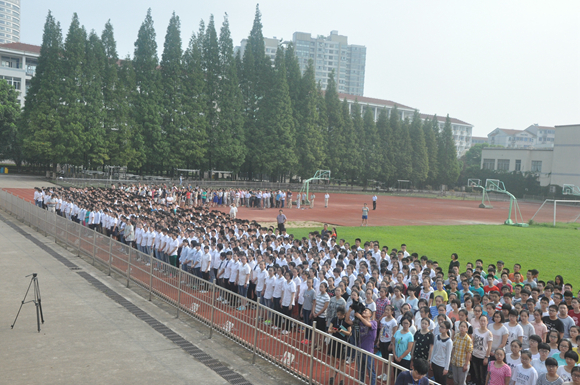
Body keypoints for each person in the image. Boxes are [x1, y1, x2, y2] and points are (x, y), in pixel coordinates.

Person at [327, 306, 351, 385]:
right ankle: (331, 377)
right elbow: (329, 329)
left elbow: (349, 333)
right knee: (333, 360)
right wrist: (333, 331)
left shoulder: (347, 321)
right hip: (334, 341)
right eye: (338, 314)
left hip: (343, 343)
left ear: (344, 314)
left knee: (342, 362)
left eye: (340, 315)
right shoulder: (334, 319)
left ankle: (341, 380)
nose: (339, 316)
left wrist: (342, 331)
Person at [354, 308, 378, 385]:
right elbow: (347, 321)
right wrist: (350, 310)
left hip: (368, 351)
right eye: (363, 310)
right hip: (360, 349)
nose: (363, 311)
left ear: (370, 315)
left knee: (371, 371)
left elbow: (368, 324)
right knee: (361, 370)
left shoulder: (374, 322)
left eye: (366, 311)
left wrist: (360, 317)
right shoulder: (360, 322)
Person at [472, 314, 494, 385]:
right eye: (481, 320)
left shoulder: (489, 333)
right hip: (475, 355)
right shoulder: (475, 330)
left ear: (487, 322)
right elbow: (473, 342)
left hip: (483, 356)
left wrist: (486, 357)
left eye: (484, 321)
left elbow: (489, 346)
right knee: (476, 374)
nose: (482, 322)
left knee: (482, 375)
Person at [431, 320, 454, 384]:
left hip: (442, 365)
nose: (440, 328)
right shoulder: (436, 337)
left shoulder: (449, 341)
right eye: (440, 326)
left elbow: (448, 355)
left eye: (442, 327)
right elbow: (434, 350)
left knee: (442, 382)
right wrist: (431, 361)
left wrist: (446, 368)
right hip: (435, 362)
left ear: (447, 329)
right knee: (436, 381)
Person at [451, 320, 473, 385]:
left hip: (462, 363)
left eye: (464, 327)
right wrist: (452, 359)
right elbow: (454, 348)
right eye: (461, 326)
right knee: (455, 381)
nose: (462, 328)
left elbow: (469, 352)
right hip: (455, 362)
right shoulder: (456, 336)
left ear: (467, 329)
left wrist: (466, 364)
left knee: (461, 382)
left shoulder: (468, 339)